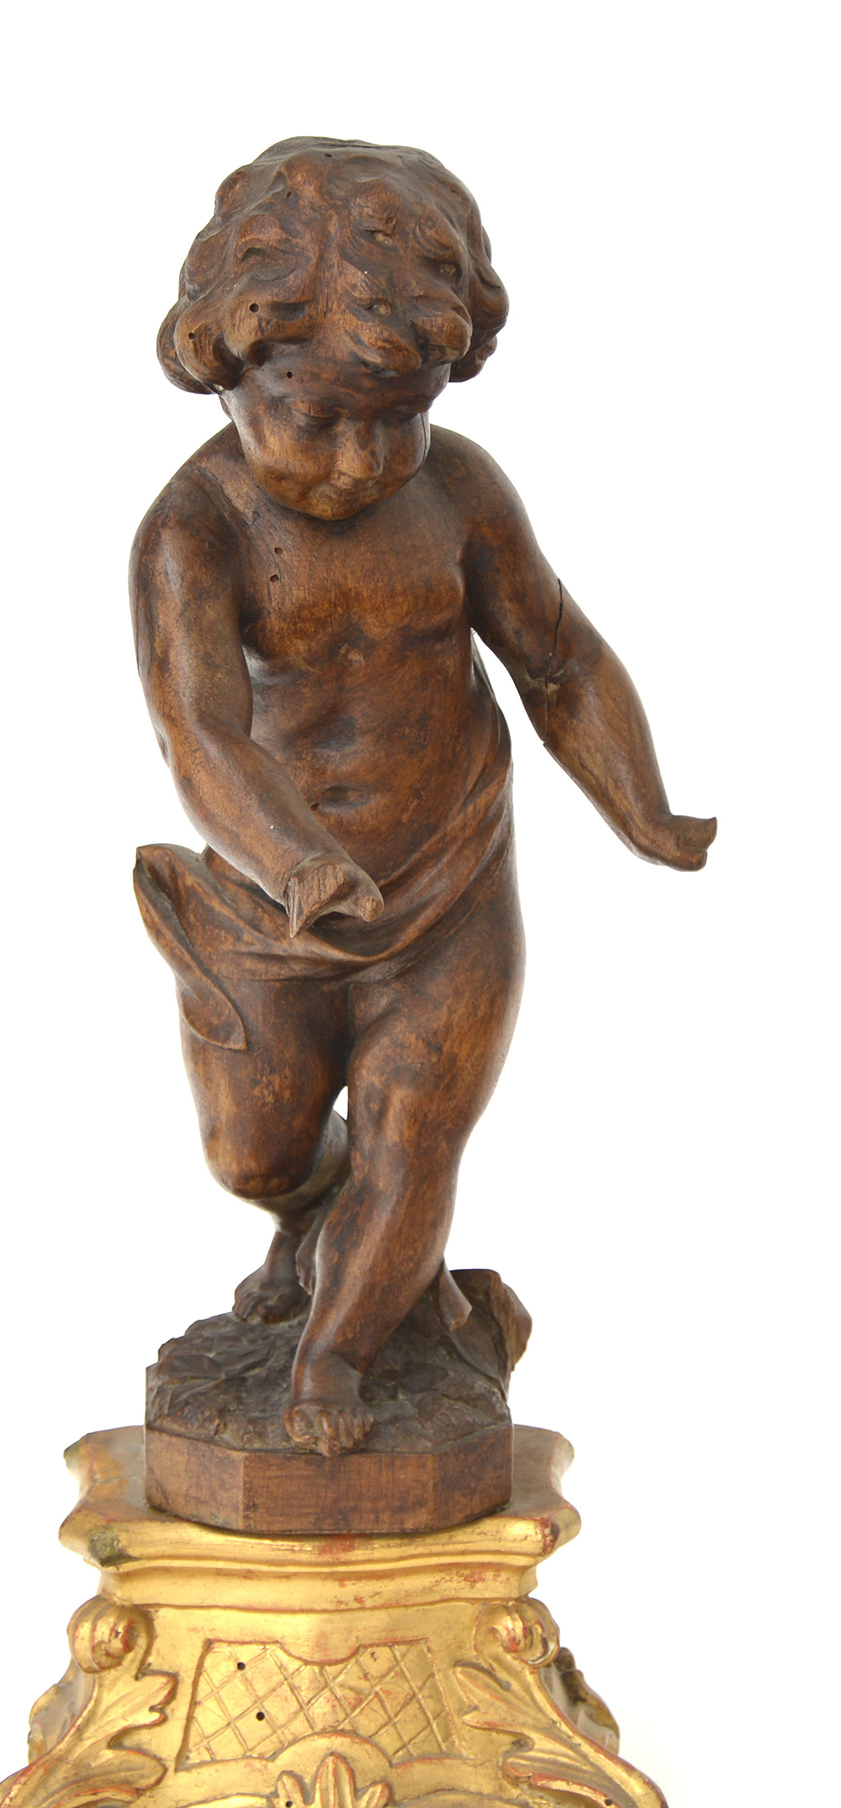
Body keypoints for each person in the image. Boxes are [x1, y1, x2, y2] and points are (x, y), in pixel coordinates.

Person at [131, 137, 715, 1458]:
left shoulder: (459, 493)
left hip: (450, 885)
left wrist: (643, 805)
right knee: (255, 1153)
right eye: (315, 417)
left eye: (395, 417)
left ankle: (335, 1358)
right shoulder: (193, 530)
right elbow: (201, 733)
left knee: (415, 1136)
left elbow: (557, 658)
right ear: (227, 366)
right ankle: (329, 1221)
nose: (356, 460)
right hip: (275, 903)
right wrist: (296, 860)